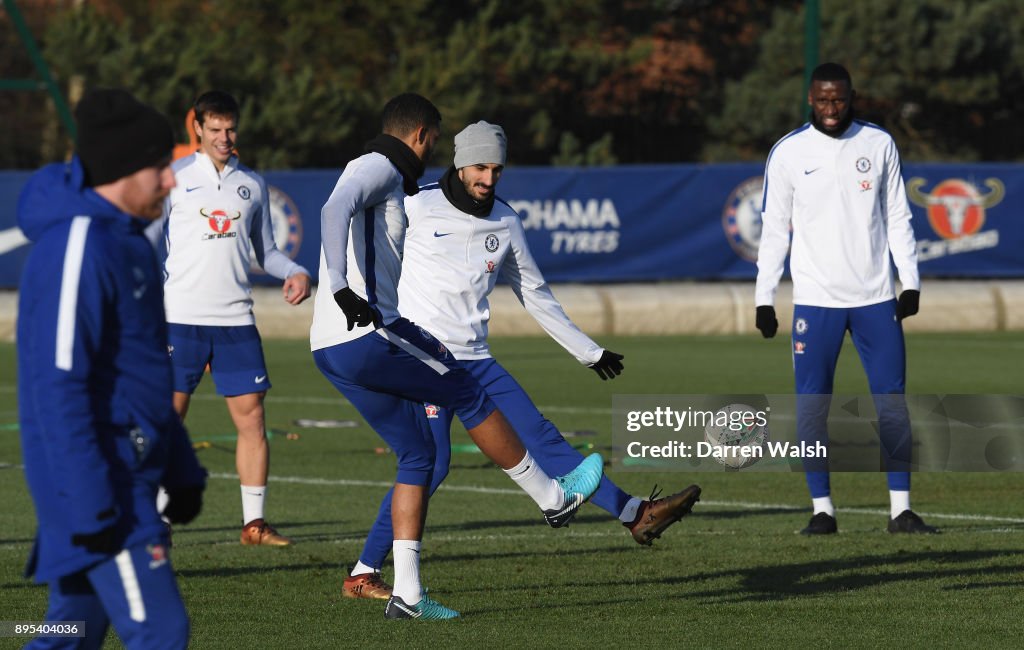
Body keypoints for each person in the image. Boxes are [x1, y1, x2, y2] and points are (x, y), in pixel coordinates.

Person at [342, 121, 702, 599]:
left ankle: (635, 514)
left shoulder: (507, 222)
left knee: (539, 435)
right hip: (423, 357)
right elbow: (366, 247)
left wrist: (587, 350)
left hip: (476, 360)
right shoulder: (415, 203)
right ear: (458, 163)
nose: (487, 178)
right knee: (432, 464)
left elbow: (534, 293)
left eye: (496, 168)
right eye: (479, 167)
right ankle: (364, 570)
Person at [311, 94, 604, 620]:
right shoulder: (378, 166)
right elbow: (334, 210)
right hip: (371, 335)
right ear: (422, 136)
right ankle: (552, 499)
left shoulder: (386, 176)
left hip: (330, 349)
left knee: (421, 457)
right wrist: (336, 284)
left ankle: (405, 595)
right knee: (469, 388)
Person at [16, 88, 207, 649]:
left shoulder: (132, 244)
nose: (171, 181)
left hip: (124, 479)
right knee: (163, 632)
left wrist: (182, 466)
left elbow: (142, 372)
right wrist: (92, 500)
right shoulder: (79, 247)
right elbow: (56, 386)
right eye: (159, 168)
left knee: (68, 633)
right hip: (103, 488)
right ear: (125, 170)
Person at [755, 63, 936, 535]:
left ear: (851, 96)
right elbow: (774, 231)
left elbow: (898, 217)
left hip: (876, 298)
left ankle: (901, 510)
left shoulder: (878, 144)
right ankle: (822, 511)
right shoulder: (789, 152)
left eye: (838, 99)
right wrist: (764, 298)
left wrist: (910, 282)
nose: (830, 109)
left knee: (891, 401)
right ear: (809, 99)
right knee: (813, 406)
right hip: (815, 301)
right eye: (822, 100)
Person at [150, 90, 311, 546]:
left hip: (237, 321)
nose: (224, 137)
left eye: (230, 128)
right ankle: (157, 516)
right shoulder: (174, 178)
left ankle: (254, 523)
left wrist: (296, 271)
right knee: (168, 421)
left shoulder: (253, 185)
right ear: (197, 128)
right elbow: (145, 241)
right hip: (179, 318)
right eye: (215, 129)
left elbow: (268, 253)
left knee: (252, 419)